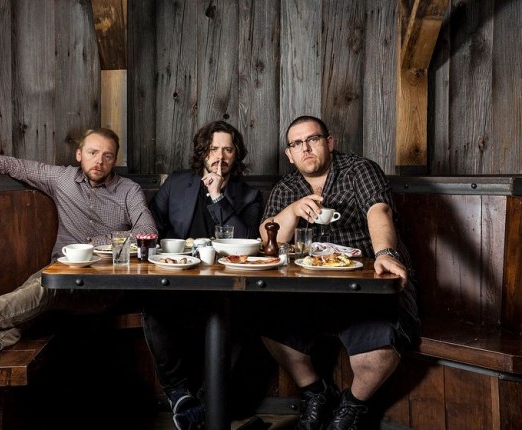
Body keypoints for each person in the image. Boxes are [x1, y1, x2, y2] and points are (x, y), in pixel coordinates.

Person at [0, 127, 157, 371]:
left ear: (114, 160)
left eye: (107, 156)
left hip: (104, 288)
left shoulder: (128, 190)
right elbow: (10, 165)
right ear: (79, 154)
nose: (99, 161)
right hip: (61, 274)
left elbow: (148, 232)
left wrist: (95, 243)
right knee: (42, 296)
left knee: (47, 287)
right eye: (93, 153)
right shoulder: (61, 179)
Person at [258, 115, 420, 430]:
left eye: (313, 139)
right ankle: (316, 393)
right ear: (289, 154)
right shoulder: (287, 187)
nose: (305, 148)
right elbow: (268, 237)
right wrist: (292, 211)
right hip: (312, 288)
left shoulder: (359, 170)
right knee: (267, 321)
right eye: (296, 144)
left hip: (368, 283)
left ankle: (352, 405)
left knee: (376, 348)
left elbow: (379, 210)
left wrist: (385, 253)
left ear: (329, 142)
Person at [143, 120, 265, 430]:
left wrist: (217, 197)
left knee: (244, 312)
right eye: (213, 149)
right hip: (178, 279)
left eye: (227, 149)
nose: (220, 157)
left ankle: (208, 400)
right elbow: (152, 225)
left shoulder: (249, 195)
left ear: (237, 154)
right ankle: (180, 395)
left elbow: (248, 241)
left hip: (228, 284)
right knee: (154, 307)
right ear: (202, 152)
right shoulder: (177, 183)